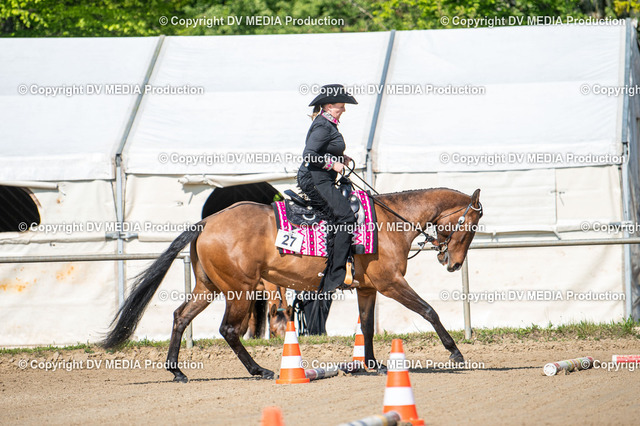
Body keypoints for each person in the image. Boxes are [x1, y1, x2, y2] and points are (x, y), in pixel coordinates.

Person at [297, 84, 358, 292]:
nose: (344, 109)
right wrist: (332, 164)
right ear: (329, 106)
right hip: (316, 179)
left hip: (322, 178)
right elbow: (309, 155)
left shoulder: (328, 124)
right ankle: (336, 276)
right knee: (346, 217)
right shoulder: (323, 126)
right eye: (341, 106)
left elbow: (324, 149)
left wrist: (340, 157)